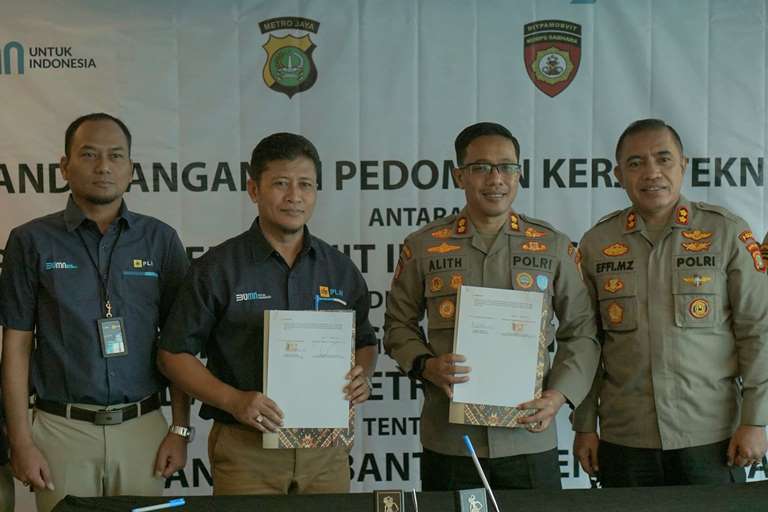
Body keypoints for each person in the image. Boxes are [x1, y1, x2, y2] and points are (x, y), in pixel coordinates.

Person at [157, 132, 378, 495]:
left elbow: (366, 341)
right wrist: (234, 400)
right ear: (253, 190)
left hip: (326, 452)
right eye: (280, 183)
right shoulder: (218, 268)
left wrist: (362, 375)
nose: (294, 196)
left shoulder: (339, 269)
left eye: (305, 184)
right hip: (247, 450)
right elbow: (173, 354)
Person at [384, 121, 600, 490]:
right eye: (481, 167)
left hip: (529, 436)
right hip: (452, 440)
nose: (495, 178)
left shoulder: (552, 245)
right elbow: (397, 325)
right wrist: (427, 365)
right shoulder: (424, 246)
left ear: (519, 174)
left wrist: (558, 396)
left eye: (506, 167)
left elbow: (582, 330)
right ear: (459, 176)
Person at [0, 113, 191, 512]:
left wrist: (180, 429)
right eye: (89, 154)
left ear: (131, 169)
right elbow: (16, 346)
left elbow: (178, 347)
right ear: (64, 166)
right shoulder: (31, 241)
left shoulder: (160, 240)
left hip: (143, 431)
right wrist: (21, 441)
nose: (103, 166)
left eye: (115, 156)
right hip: (60, 431)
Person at [572, 118, 768, 487]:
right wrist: (584, 426)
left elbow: (757, 331)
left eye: (663, 159)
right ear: (618, 174)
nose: (652, 173)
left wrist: (755, 420)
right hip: (625, 437)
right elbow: (586, 342)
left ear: (683, 165)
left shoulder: (725, 232)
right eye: (636, 163)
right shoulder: (597, 243)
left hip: (712, 436)